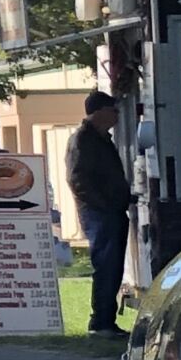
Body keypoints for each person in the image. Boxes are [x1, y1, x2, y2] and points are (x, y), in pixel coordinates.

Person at [66, 90, 133, 338]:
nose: (116, 115)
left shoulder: (103, 139)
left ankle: (107, 320)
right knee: (105, 265)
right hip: (99, 214)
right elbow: (78, 179)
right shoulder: (83, 140)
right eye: (113, 110)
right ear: (99, 112)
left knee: (113, 266)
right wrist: (104, 205)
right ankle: (100, 322)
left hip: (112, 211)